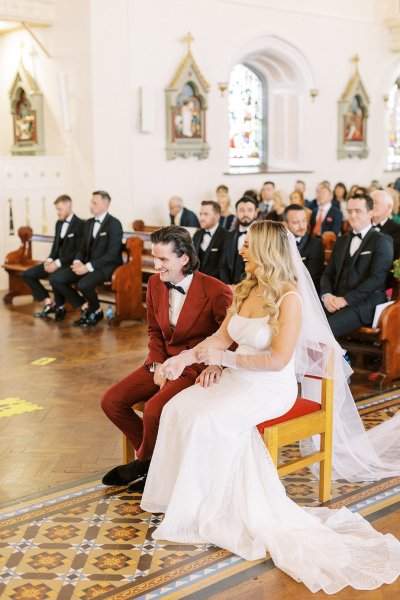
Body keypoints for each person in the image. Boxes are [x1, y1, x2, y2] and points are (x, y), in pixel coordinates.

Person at [140, 220, 400, 594]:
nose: (241, 250)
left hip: (267, 386)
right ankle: (179, 499)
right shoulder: (246, 289)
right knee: (179, 408)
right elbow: (221, 337)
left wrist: (224, 362)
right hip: (237, 376)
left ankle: (207, 511)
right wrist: (184, 359)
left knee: (208, 421)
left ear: (265, 251)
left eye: (248, 246)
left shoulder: (289, 298)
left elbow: (278, 362)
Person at [101, 225, 232, 490]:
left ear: (184, 258)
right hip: (162, 360)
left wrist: (216, 362)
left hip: (194, 365)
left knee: (153, 410)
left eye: (163, 259)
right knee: (111, 401)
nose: (156, 265)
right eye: (154, 258)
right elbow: (153, 330)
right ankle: (154, 463)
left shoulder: (216, 290)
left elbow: (231, 336)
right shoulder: (153, 283)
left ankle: (145, 464)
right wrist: (157, 364)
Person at [320, 194, 393, 337]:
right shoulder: (341, 241)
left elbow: (377, 278)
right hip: (336, 300)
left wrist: (346, 300)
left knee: (324, 330)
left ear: (370, 213)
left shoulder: (382, 241)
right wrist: (327, 295)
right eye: (350, 211)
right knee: (305, 322)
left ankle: (337, 359)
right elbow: (328, 273)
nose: (352, 215)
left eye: (358, 211)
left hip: (365, 304)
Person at [51, 190, 123, 327]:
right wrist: (78, 261)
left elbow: (112, 255)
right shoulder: (88, 223)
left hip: (108, 267)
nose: (91, 205)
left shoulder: (114, 224)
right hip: (87, 264)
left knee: (83, 284)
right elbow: (82, 248)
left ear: (105, 205)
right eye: (91, 202)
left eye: (94, 203)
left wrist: (88, 267)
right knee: (56, 279)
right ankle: (87, 306)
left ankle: (95, 311)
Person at [22, 195, 84, 320]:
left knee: (54, 276)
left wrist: (57, 263)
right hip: (56, 261)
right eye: (56, 209)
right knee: (28, 274)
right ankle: (49, 303)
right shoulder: (58, 223)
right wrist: (49, 260)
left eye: (60, 209)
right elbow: (55, 246)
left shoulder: (81, 224)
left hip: (70, 263)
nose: (57, 212)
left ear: (69, 206)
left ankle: (63, 307)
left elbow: (77, 251)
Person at [282, 204, 324, 292]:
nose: (302, 226)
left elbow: (311, 276)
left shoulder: (315, 244)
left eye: (304, 221)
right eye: (296, 222)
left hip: (305, 291)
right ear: (285, 224)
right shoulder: (278, 242)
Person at [220, 195, 258, 285]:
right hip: (231, 287)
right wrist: (228, 286)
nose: (245, 214)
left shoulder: (262, 237)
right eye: (241, 210)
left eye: (249, 210)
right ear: (236, 213)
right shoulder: (228, 236)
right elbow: (223, 265)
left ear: (256, 212)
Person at [193, 201, 228, 279]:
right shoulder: (197, 235)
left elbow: (223, 267)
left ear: (217, 216)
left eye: (206, 214)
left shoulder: (227, 236)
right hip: (196, 281)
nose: (201, 218)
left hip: (216, 283)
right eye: (200, 214)